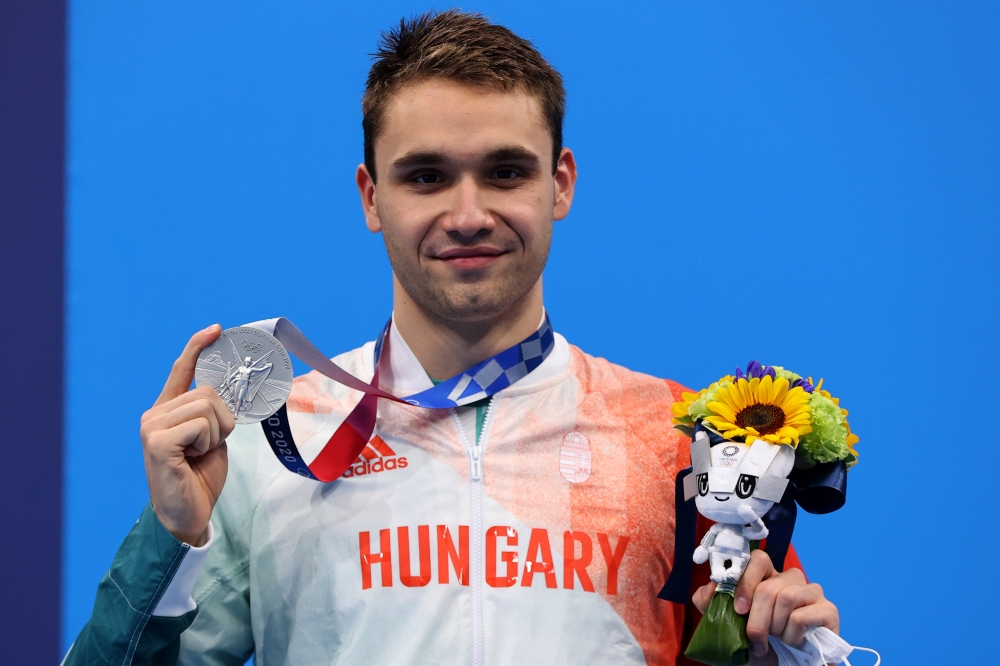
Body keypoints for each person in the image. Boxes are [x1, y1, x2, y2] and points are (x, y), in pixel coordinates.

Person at [64, 11, 840, 666]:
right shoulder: (275, 441)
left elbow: (746, 642)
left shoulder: (681, 444)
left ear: (559, 184)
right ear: (371, 196)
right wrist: (172, 537)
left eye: (505, 172)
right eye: (426, 176)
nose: (468, 214)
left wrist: (788, 652)